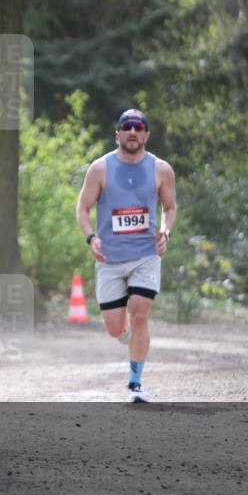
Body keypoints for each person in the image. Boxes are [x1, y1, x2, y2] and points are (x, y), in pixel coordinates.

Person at [75, 108, 177, 403]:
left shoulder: (161, 169)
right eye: (126, 126)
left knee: (141, 315)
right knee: (115, 328)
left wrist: (165, 231)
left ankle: (135, 383)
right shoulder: (100, 168)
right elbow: (82, 207)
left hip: (146, 255)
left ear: (146, 134)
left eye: (139, 127)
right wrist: (91, 237)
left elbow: (170, 208)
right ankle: (125, 332)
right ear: (117, 133)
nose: (132, 131)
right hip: (109, 259)